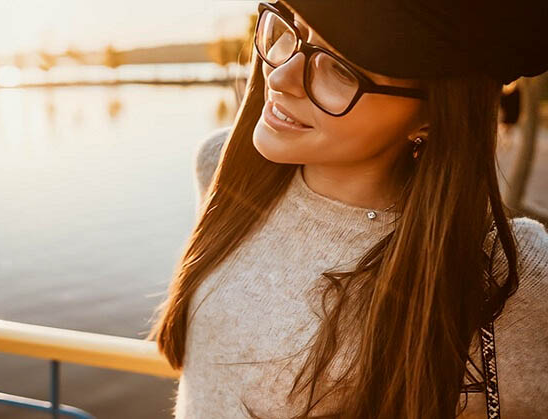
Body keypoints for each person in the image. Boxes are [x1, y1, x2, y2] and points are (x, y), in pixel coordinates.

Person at [146, 1, 548, 418]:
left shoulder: (507, 273)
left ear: (431, 116)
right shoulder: (221, 168)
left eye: (339, 69)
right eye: (292, 29)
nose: (281, 77)